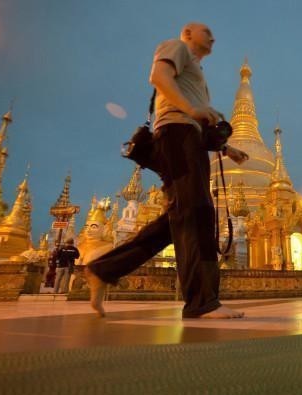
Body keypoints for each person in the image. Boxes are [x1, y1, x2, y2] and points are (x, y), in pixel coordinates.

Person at [85, 22, 249, 319]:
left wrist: (226, 148)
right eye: (206, 31)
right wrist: (190, 108)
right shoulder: (178, 46)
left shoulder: (197, 72)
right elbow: (159, 76)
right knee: (196, 212)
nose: (213, 36)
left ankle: (103, 269)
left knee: (182, 216)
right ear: (188, 33)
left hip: (188, 138)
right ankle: (202, 301)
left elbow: (196, 117)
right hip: (177, 136)